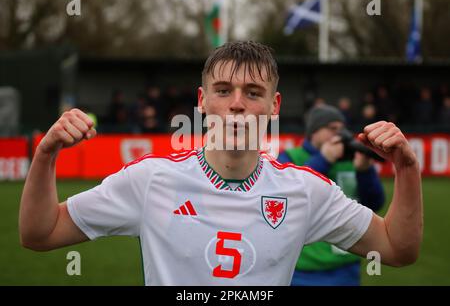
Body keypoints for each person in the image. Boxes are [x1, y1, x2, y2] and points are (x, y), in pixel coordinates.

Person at [19, 41, 422, 285]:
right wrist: (44, 155)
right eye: (223, 89)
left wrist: (406, 170)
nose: (236, 104)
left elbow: (397, 247)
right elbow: (41, 233)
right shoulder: (151, 178)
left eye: (253, 92)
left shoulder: (305, 190)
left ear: (273, 105)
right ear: (201, 101)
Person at [278, 105, 385, 286]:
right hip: (302, 269)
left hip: (345, 266)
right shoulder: (290, 157)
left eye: (342, 128)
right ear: (314, 131)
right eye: (332, 128)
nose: (340, 134)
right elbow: (286, 198)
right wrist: (323, 160)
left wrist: (365, 171)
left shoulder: (351, 160)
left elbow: (375, 203)